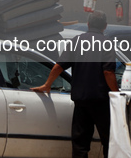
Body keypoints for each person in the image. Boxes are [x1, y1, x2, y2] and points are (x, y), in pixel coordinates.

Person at [31, 11, 119, 158]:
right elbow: (108, 72)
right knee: (109, 141)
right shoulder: (107, 43)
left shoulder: (76, 41)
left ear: (88, 24)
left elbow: (59, 66)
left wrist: (47, 85)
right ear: (105, 26)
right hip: (101, 102)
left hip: (81, 101)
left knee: (80, 144)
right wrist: (116, 93)